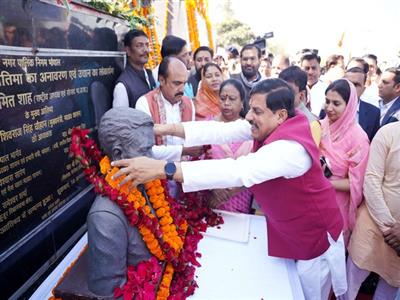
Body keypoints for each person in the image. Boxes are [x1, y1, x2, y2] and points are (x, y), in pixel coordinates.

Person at [112, 78, 347, 300]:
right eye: (250, 108)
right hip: (292, 230)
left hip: (316, 237)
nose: (248, 116)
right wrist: (163, 129)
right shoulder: (269, 125)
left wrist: (164, 169)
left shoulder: (290, 149)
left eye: (256, 111)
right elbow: (219, 130)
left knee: (305, 294)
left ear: (281, 115)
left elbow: (238, 170)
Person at [87, 108, 154, 296]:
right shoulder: (105, 218)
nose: (153, 160)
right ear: (118, 154)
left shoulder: (147, 186)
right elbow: (110, 293)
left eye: (152, 148)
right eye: (145, 151)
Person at [344, 122, 400, 300]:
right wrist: (390, 230)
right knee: (350, 285)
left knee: (388, 291)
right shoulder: (389, 132)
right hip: (372, 226)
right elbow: (371, 181)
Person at [319, 79, 370, 245]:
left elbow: (356, 182)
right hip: (313, 198)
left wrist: (325, 183)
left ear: (349, 106)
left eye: (336, 103)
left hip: (337, 204)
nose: (329, 107)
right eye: (327, 101)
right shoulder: (319, 126)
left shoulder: (359, 138)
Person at [208, 79, 253, 213]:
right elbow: (197, 160)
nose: (226, 103)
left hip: (240, 198)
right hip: (211, 199)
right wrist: (213, 188)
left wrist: (231, 191)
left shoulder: (251, 130)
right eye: (223, 98)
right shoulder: (207, 127)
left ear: (242, 103)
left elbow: (257, 168)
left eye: (232, 99)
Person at [112, 29, 156, 108]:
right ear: (128, 50)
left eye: (147, 45)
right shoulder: (122, 86)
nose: (145, 50)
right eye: (139, 45)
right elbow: (120, 119)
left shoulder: (149, 75)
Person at [279, 66, 321, 145]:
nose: (282, 95)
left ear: (301, 95)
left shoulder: (311, 124)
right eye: (280, 90)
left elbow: (310, 154)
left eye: (289, 92)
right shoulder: (276, 114)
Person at [344, 67, 381, 141]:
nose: (351, 88)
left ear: (363, 89)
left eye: (356, 84)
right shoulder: (329, 107)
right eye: (348, 83)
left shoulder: (373, 113)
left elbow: (373, 142)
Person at [231, 44, 263, 113]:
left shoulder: (267, 85)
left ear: (260, 60)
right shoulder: (231, 82)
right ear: (240, 60)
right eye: (245, 59)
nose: (248, 63)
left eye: (252, 59)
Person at [300, 52, 328, 116]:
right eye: (307, 68)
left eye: (313, 68)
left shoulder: (327, 90)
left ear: (319, 69)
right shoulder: (296, 89)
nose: (310, 72)